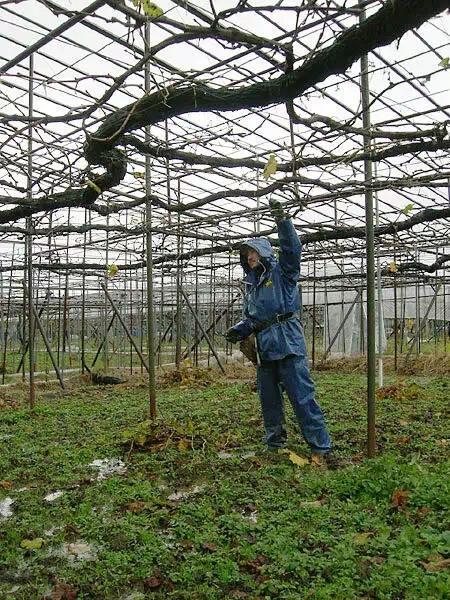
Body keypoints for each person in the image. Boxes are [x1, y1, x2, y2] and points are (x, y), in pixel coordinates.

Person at [225, 199, 331, 461]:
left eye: (253, 252)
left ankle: (320, 446)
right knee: (269, 401)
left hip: (287, 343)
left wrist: (283, 222)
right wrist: (240, 329)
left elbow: (292, 249)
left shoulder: (282, 274)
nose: (249, 258)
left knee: (302, 397)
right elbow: (253, 318)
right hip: (264, 350)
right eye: (246, 255)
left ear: (264, 253)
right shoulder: (252, 286)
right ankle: (275, 444)